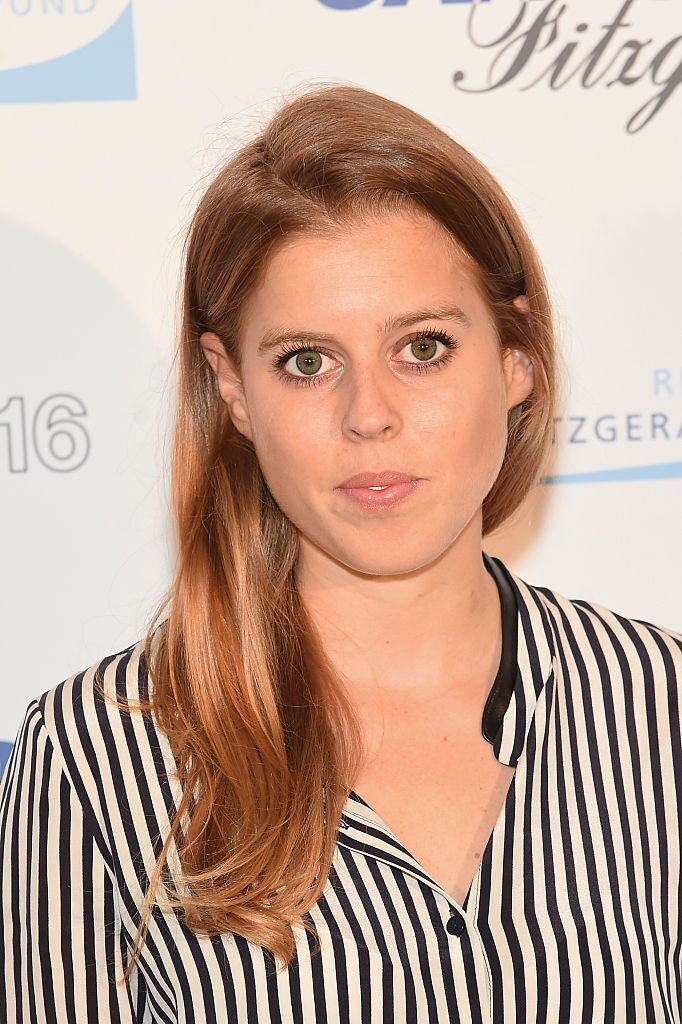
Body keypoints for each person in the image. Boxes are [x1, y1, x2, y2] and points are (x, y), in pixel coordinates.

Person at [1, 82, 680, 1024]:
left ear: (516, 356)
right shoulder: (95, 759)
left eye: (424, 347)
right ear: (232, 389)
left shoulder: (658, 704)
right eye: (307, 362)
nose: (369, 415)